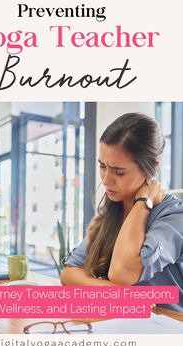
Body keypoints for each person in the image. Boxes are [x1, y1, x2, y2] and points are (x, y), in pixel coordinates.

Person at [60, 113, 183, 312]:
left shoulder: (174, 216)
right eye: (102, 166)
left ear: (152, 166)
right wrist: (125, 296)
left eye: (119, 172)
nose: (106, 180)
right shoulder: (111, 212)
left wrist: (143, 203)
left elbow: (122, 273)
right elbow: (69, 274)